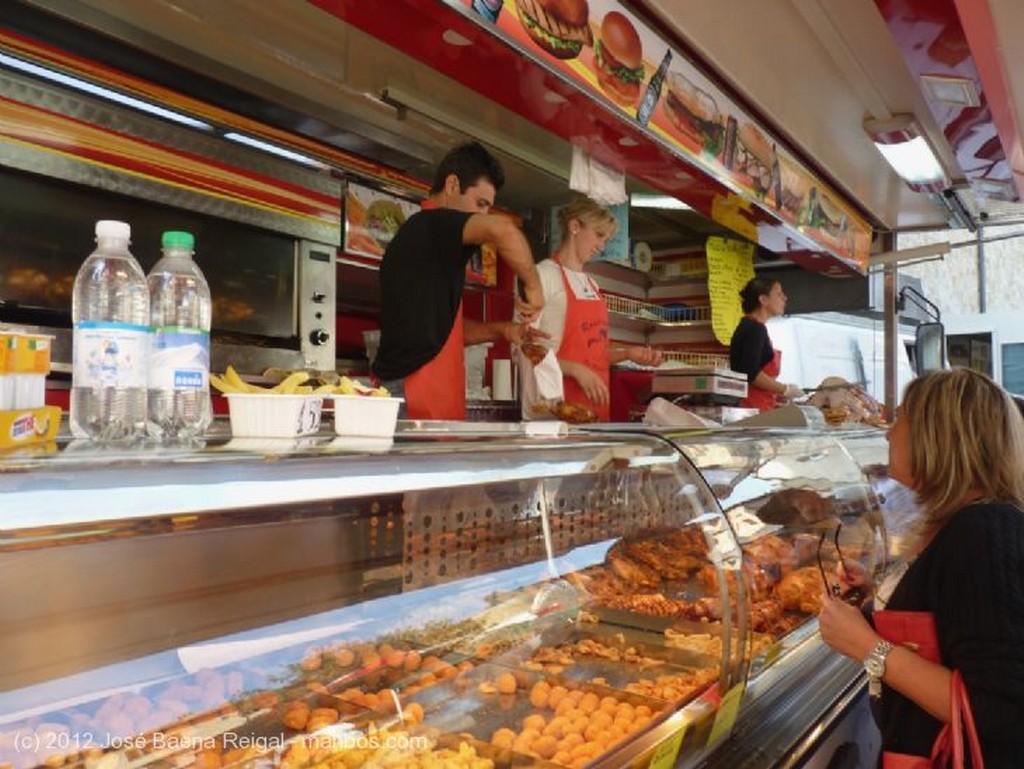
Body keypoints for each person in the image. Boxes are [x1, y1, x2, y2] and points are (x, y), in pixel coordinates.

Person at [818, 368, 1024, 766]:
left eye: (900, 419)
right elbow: (950, 622)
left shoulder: (984, 530)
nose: (888, 433)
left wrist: (867, 646)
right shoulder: (960, 522)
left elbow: (1000, 711)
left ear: (937, 437)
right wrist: (874, 603)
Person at [373, 142, 544, 420]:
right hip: (415, 396)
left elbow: (440, 330)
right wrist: (534, 287)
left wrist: (503, 330)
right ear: (452, 185)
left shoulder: (424, 242)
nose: (483, 215)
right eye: (480, 204)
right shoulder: (432, 224)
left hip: (425, 395)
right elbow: (504, 230)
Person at [524, 196, 662, 422]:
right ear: (575, 226)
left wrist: (627, 354)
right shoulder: (544, 275)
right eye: (599, 235)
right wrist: (577, 371)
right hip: (553, 414)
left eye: (606, 240)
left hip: (594, 411)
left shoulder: (592, 285)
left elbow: (592, 353)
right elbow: (525, 349)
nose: (601, 246)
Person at [729, 277, 802, 411]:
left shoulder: (751, 326)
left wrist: (777, 393)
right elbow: (750, 372)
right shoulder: (755, 328)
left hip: (758, 406)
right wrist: (784, 389)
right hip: (752, 409)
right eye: (779, 294)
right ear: (763, 300)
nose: (785, 298)